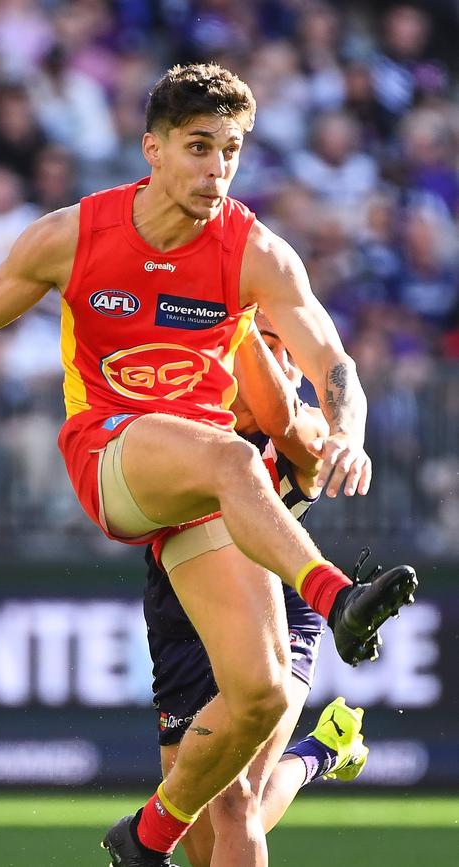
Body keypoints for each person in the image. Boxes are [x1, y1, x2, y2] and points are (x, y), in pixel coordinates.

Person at [0, 63, 416, 867]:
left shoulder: (252, 249)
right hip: (113, 456)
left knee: (263, 695)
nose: (216, 169)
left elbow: (330, 355)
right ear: (152, 149)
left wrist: (347, 431)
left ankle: (146, 836)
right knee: (234, 459)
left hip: (211, 496)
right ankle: (337, 598)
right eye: (199, 147)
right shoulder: (74, 236)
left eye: (231, 151)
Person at [144, 311, 370, 867]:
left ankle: (312, 755)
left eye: (290, 354)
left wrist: (349, 434)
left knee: (236, 800)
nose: (281, 361)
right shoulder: (189, 418)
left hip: (277, 613)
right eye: (267, 345)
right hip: (182, 611)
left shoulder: (305, 431)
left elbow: (302, 414)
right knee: (198, 834)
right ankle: (318, 753)